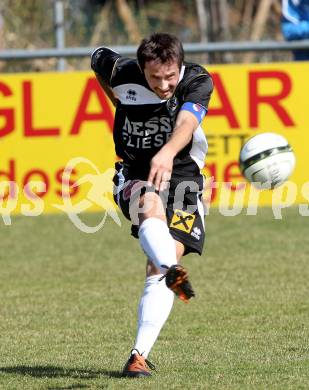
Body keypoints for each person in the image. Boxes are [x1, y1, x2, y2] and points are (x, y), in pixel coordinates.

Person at [91, 33, 213, 377]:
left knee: (157, 270)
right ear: (141, 69)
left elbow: (188, 121)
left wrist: (167, 152)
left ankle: (137, 356)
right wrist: (117, 99)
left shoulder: (197, 80)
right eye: (154, 77)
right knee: (147, 199)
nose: (163, 85)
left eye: (169, 76)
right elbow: (97, 56)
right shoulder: (120, 71)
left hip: (185, 179)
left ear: (180, 66)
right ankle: (171, 271)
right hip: (133, 172)